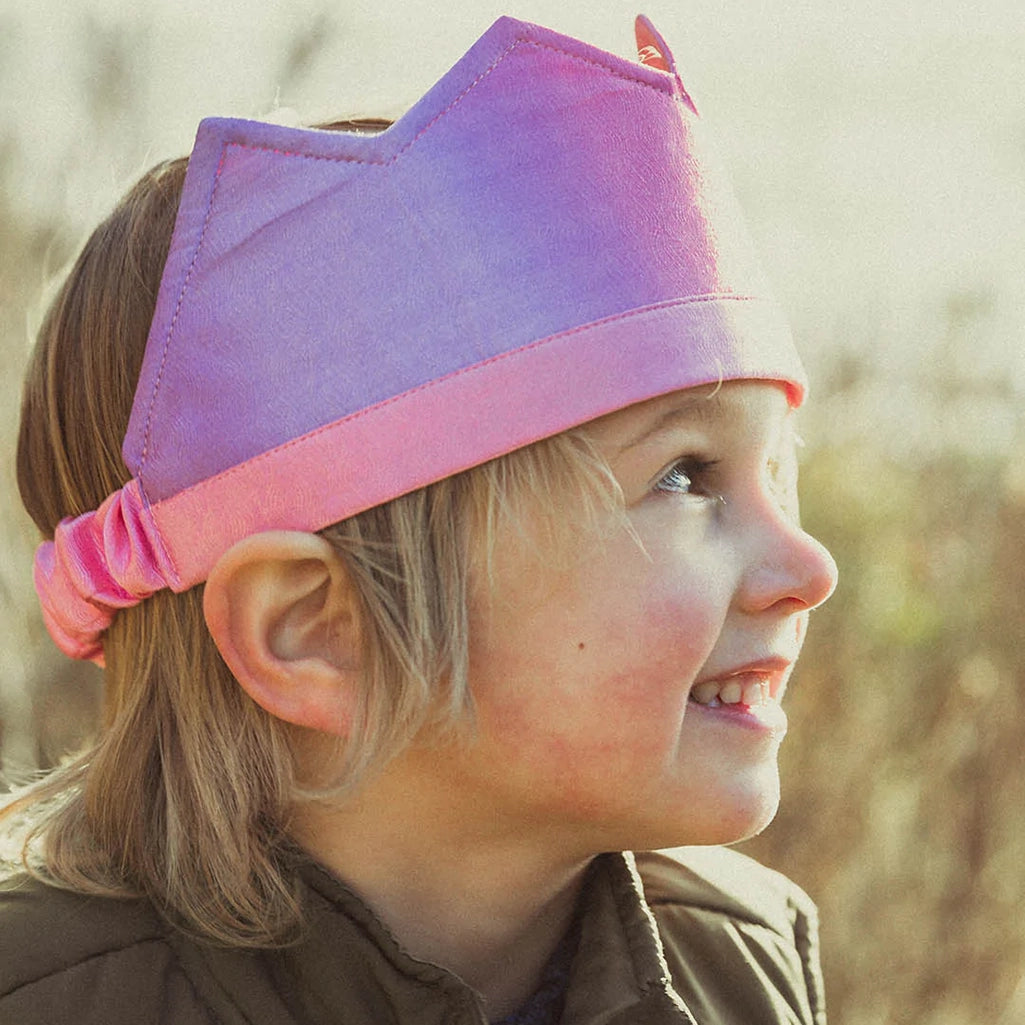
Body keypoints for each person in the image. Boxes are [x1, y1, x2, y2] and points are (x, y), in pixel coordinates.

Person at [0, 14, 837, 1025]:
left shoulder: (738, 966)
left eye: (776, 474)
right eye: (683, 476)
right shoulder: (51, 994)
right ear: (314, 627)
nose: (805, 563)